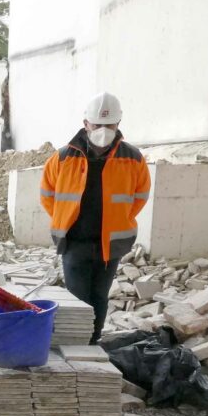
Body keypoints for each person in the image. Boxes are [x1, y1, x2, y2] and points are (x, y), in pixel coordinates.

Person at [40, 92, 151, 344]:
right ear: (86, 124)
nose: (103, 129)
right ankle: (75, 344)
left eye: (109, 124)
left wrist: (119, 221)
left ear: (118, 124)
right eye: (97, 124)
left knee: (100, 297)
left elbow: (140, 196)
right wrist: (63, 220)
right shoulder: (62, 157)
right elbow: (48, 195)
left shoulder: (133, 158)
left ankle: (93, 341)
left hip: (110, 243)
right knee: (77, 296)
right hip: (75, 241)